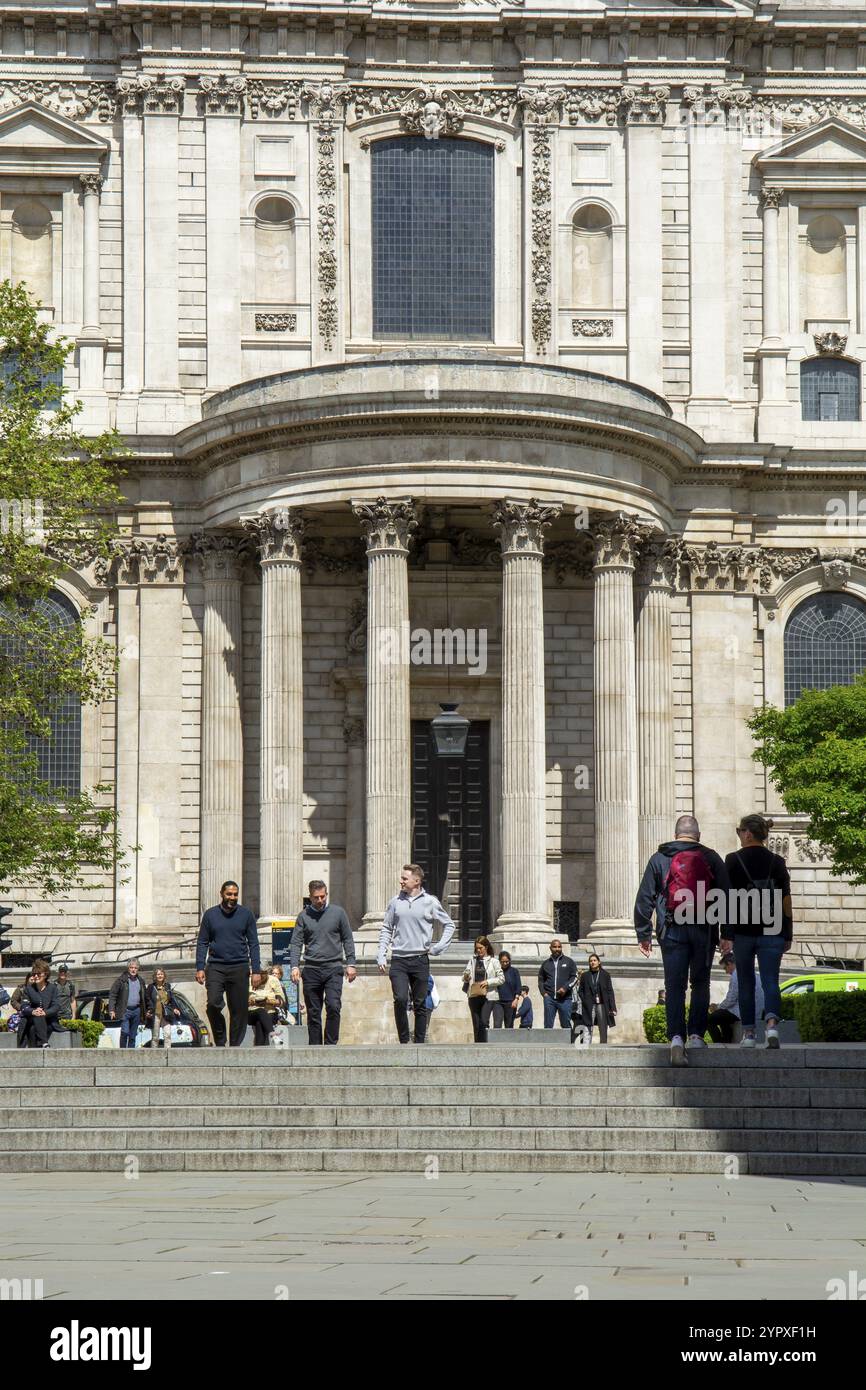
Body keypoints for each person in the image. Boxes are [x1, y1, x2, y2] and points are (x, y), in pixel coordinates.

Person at [634, 814, 730, 1066]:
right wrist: (726, 935)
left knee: (674, 985)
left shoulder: (660, 858)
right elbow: (727, 897)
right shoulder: (710, 857)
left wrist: (643, 934)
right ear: (698, 835)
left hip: (672, 930)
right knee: (700, 982)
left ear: (676, 834)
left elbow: (645, 898)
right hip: (703, 930)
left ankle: (676, 1038)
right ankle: (697, 1035)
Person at [722, 814, 793, 1049]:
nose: (739, 835)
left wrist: (727, 934)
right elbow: (785, 900)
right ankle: (772, 1026)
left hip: (743, 931)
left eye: (739, 831)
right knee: (771, 980)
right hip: (772, 930)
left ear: (748, 833)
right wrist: (788, 933)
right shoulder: (777, 861)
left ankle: (749, 1034)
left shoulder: (732, 860)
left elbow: (728, 899)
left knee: (745, 981)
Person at [377, 864, 455, 1044]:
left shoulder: (430, 902)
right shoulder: (395, 901)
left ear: (416, 881)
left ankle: (419, 1044)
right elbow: (387, 929)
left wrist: (438, 948)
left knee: (420, 1003)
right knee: (400, 998)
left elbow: (449, 925)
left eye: (405, 878)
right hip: (399, 959)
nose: (401, 881)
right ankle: (404, 1041)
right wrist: (381, 954)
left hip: (420, 959)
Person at [290, 880, 357, 1046]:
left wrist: (351, 963)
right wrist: (294, 966)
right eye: (316, 898)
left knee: (334, 1006)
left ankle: (330, 1045)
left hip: (333, 967)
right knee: (313, 1012)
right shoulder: (303, 916)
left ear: (326, 894)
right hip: (311, 969)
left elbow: (347, 939)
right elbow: (296, 943)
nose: (320, 900)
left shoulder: (338, 913)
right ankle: (315, 1049)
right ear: (310, 897)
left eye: (322, 896)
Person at [195, 880, 261, 1048]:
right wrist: (200, 967)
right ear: (221, 894)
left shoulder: (246, 915)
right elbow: (202, 942)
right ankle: (220, 1039)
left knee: (239, 1011)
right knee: (213, 1004)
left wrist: (256, 970)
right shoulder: (210, 915)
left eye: (235, 894)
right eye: (229, 894)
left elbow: (253, 943)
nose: (232, 897)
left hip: (239, 966)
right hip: (216, 966)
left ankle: (234, 1047)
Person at [707, 951, 765, 1044]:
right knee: (724, 1015)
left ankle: (719, 1042)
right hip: (757, 1012)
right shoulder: (753, 972)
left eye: (725, 968)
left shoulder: (736, 975)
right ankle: (726, 1041)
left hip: (742, 1012)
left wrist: (717, 1007)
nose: (726, 972)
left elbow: (731, 1000)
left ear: (730, 963)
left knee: (709, 1019)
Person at [462, 936, 505, 1043]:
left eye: (480, 948)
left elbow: (501, 979)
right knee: (476, 1023)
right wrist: (466, 977)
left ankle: (485, 1045)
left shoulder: (494, 961)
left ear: (486, 947)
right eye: (476, 948)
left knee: (483, 1021)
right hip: (474, 995)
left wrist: (488, 982)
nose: (478, 950)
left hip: (488, 996)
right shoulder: (472, 960)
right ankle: (477, 1046)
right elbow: (465, 975)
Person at [574, 953, 617, 1045]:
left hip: (602, 1004)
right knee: (587, 1025)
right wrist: (584, 999)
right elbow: (580, 990)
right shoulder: (585, 975)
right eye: (590, 961)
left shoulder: (605, 975)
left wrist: (613, 1007)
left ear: (599, 962)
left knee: (603, 1026)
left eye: (594, 960)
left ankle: (603, 1046)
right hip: (589, 1005)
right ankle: (586, 1046)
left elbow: (610, 991)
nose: (592, 962)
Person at [17, 962, 62, 1049]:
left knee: (33, 1029)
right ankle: (45, 1043)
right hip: (31, 1019)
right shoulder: (28, 989)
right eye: (34, 974)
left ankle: (35, 1052)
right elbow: (24, 1006)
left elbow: (56, 1006)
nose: (36, 976)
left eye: (39, 974)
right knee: (36, 1014)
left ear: (45, 975)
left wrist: (45, 1012)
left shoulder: (53, 988)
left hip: (48, 1021)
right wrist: (33, 1011)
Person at [538, 939, 577, 1029]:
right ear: (550, 948)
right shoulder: (546, 964)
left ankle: (568, 1043)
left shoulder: (569, 961)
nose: (557, 949)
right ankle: (549, 1043)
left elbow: (574, 977)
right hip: (549, 999)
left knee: (566, 1023)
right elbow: (541, 980)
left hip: (565, 999)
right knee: (548, 1025)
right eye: (554, 947)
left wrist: (565, 988)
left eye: (559, 947)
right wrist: (544, 994)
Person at [109, 958, 147, 1049]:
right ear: (128, 968)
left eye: (135, 968)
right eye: (131, 967)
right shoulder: (121, 980)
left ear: (138, 969)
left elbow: (144, 997)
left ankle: (131, 1053)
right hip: (125, 1010)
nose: (133, 970)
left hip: (136, 1010)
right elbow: (113, 994)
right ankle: (122, 1051)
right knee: (125, 1032)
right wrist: (112, 1010)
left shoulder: (141, 981)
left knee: (133, 1035)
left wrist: (146, 1010)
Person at [145, 968, 182, 1048]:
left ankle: (167, 1053)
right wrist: (148, 1010)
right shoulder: (151, 987)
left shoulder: (167, 986)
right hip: (155, 1014)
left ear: (164, 975)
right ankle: (154, 1054)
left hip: (166, 1014)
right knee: (155, 1037)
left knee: (168, 1035)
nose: (160, 976)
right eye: (158, 974)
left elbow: (171, 999)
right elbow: (147, 999)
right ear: (155, 976)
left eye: (161, 974)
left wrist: (175, 1008)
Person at [247, 970, 284, 1046]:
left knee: (260, 1022)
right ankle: (274, 1035)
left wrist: (268, 1002)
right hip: (251, 1012)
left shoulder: (273, 980)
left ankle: (259, 1050)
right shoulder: (248, 980)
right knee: (260, 1011)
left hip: (270, 1012)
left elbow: (281, 1002)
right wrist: (251, 1002)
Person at [497, 952, 522, 1028]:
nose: (505, 964)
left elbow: (518, 986)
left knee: (509, 1025)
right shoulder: (497, 971)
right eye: (502, 962)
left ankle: (508, 1040)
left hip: (510, 1002)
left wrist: (516, 999)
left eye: (507, 961)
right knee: (497, 1024)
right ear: (499, 961)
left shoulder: (514, 971)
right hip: (498, 1002)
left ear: (510, 961)